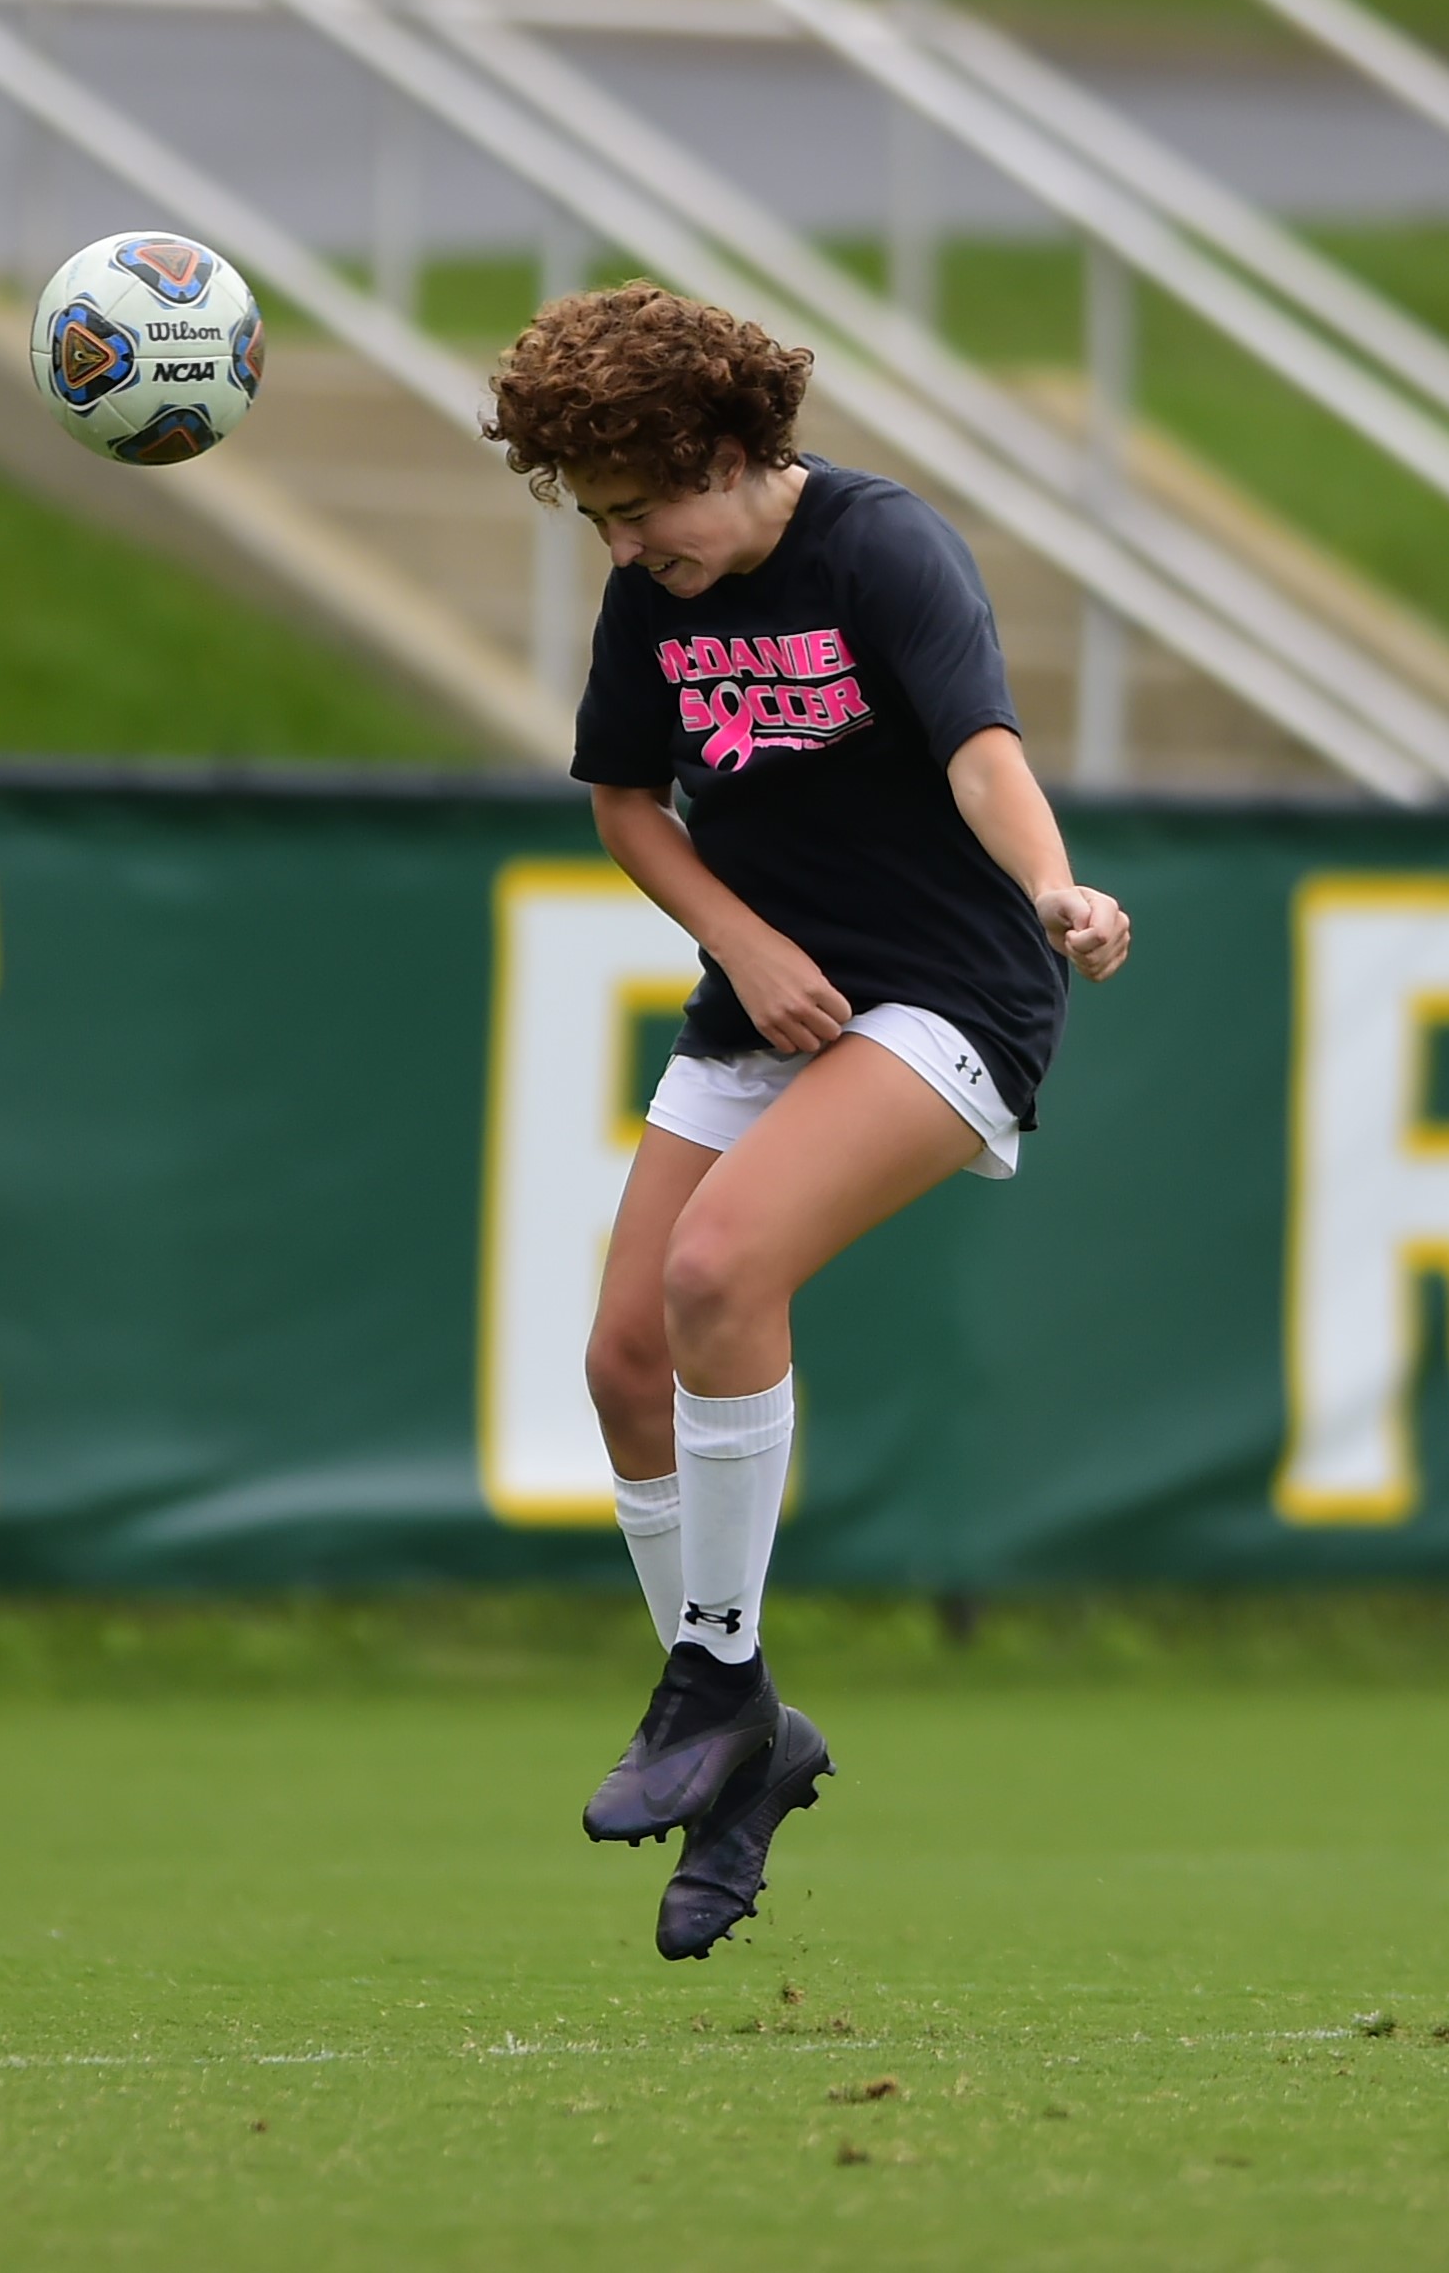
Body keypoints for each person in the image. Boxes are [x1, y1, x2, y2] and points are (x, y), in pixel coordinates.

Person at [483, 282, 1132, 1960]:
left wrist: (1056, 886)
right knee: (624, 1357)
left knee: (718, 1270)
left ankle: (705, 1681)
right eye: (598, 518)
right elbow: (630, 802)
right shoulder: (657, 592)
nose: (625, 549)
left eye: (641, 507)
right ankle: (750, 1733)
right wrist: (747, 943)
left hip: (944, 993)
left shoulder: (879, 548)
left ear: (730, 449)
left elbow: (982, 750)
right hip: (774, 990)